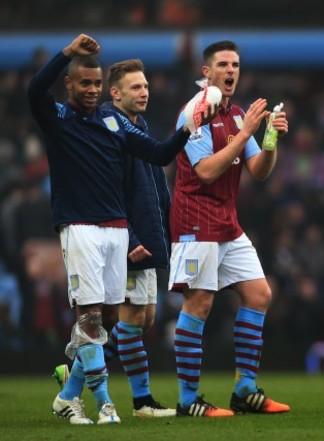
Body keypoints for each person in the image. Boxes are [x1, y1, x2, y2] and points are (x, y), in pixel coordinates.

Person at [27, 34, 216, 425]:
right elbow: (34, 89)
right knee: (92, 318)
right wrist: (66, 54)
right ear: (70, 85)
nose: (92, 90)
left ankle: (67, 393)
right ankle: (104, 404)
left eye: (96, 84)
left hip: (115, 228)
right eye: (85, 83)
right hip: (79, 226)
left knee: (109, 318)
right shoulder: (58, 118)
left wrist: (188, 128)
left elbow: (160, 153)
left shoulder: (114, 122)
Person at [168, 40, 290, 417]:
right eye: (223, 64)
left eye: (235, 64)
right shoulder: (194, 114)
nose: (231, 70)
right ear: (207, 72)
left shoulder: (238, 114)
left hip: (227, 221)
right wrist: (246, 132)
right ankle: (188, 399)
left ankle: (244, 389)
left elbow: (259, 171)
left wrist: (269, 136)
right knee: (200, 303)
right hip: (194, 220)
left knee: (258, 294)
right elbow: (204, 172)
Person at [52, 59, 177, 417]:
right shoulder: (110, 126)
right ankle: (140, 400)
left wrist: (165, 229)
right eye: (136, 87)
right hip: (123, 236)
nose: (144, 92)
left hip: (146, 235)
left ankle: (74, 373)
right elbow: (111, 189)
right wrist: (133, 235)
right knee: (130, 318)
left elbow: (154, 184)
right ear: (115, 92)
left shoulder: (138, 125)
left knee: (143, 318)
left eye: (147, 86)